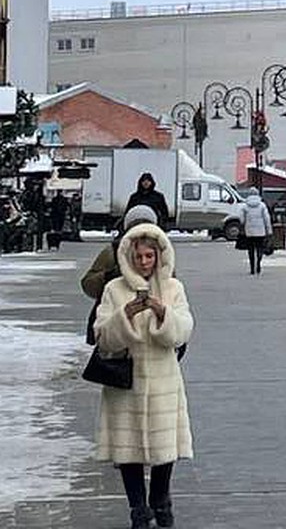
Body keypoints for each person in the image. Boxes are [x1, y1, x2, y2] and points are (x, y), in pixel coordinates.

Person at [94, 222, 193, 529]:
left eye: (150, 256)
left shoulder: (173, 288)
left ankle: (160, 499)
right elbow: (102, 337)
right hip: (126, 381)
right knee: (129, 449)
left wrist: (163, 313)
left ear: (160, 255)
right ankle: (138, 508)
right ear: (128, 256)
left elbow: (184, 330)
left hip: (164, 377)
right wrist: (127, 315)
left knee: (166, 448)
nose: (144, 263)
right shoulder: (114, 289)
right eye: (138, 257)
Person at [82, 206, 160, 341]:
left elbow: (171, 286)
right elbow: (88, 284)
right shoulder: (113, 251)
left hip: (152, 325)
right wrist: (109, 276)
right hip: (118, 323)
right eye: (135, 225)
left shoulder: (161, 252)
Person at [239, 186, 272, 275]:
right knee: (259, 248)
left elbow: (241, 219)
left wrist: (243, 226)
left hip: (249, 231)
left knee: (251, 250)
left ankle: (252, 268)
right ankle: (258, 263)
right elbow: (267, 219)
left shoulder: (245, 206)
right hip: (260, 231)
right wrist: (269, 230)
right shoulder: (262, 205)